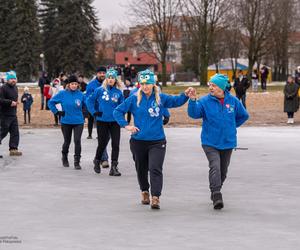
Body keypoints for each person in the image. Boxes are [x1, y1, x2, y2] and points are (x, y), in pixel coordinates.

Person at [113, 69, 191, 209]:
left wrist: (185, 95)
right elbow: (117, 111)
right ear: (139, 84)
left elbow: (176, 101)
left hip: (157, 141)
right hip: (138, 141)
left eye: (148, 83)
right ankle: (144, 191)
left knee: (155, 168)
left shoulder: (160, 98)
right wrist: (126, 126)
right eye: (142, 84)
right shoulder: (134, 98)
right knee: (141, 169)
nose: (145, 86)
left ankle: (156, 197)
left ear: (153, 84)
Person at [187, 73, 249, 210]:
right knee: (215, 166)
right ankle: (216, 194)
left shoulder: (233, 101)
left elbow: (244, 116)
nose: (211, 87)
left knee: (223, 171)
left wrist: (232, 126)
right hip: (210, 141)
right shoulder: (204, 101)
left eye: (214, 85)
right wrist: (192, 100)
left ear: (222, 87)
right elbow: (194, 114)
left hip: (227, 141)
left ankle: (215, 189)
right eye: (210, 85)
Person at [87, 69, 124, 176]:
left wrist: (121, 118)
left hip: (115, 122)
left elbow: (122, 107)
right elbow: (89, 100)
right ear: (106, 79)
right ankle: (97, 160)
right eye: (109, 77)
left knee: (115, 144)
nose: (111, 79)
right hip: (102, 121)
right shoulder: (99, 90)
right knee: (102, 143)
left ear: (116, 79)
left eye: (113, 78)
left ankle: (114, 167)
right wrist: (94, 112)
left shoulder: (118, 92)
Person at [48, 75, 85, 170]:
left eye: (75, 84)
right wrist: (57, 112)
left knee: (77, 141)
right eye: (72, 84)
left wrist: (86, 113)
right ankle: (64, 157)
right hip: (66, 121)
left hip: (78, 121)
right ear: (68, 84)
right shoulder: (62, 93)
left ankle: (77, 161)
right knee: (67, 141)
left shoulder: (81, 95)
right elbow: (51, 102)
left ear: (78, 85)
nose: (74, 85)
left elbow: (85, 105)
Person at [85, 66, 110, 168]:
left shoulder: (110, 83)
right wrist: (93, 112)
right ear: (96, 74)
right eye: (100, 73)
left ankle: (98, 156)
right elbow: (88, 100)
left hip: (110, 114)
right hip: (98, 115)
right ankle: (104, 159)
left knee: (107, 137)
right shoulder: (91, 85)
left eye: (104, 73)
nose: (102, 74)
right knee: (102, 137)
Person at [0, 71, 22, 156]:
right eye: (11, 79)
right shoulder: (3, 88)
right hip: (4, 114)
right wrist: (10, 102)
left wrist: (16, 102)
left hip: (13, 114)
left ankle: (13, 149)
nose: (13, 80)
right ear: (8, 80)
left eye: (14, 78)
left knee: (15, 132)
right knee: (2, 132)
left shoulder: (15, 87)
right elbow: (0, 100)